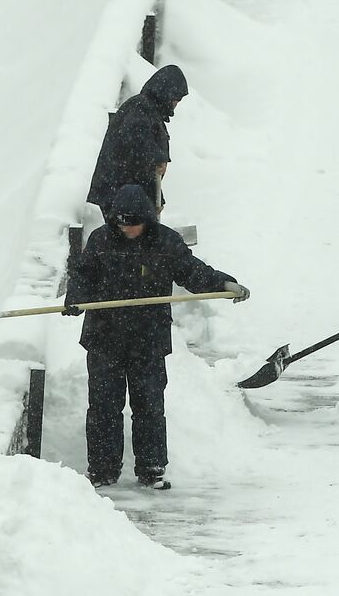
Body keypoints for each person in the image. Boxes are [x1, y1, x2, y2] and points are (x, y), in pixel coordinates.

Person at [64, 184, 248, 489]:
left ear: (147, 219)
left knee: (149, 406)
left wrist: (224, 284)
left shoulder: (165, 242)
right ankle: (101, 470)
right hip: (104, 338)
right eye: (121, 224)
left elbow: (192, 272)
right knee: (103, 407)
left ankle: (151, 469)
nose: (127, 230)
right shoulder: (101, 240)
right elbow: (83, 274)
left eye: (133, 224)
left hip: (147, 340)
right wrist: (76, 298)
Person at [86, 65, 189, 224]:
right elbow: (138, 151)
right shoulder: (140, 108)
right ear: (166, 93)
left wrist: (155, 195)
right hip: (120, 195)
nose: (176, 104)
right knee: (129, 241)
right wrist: (158, 158)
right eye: (176, 98)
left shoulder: (147, 110)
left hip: (124, 194)